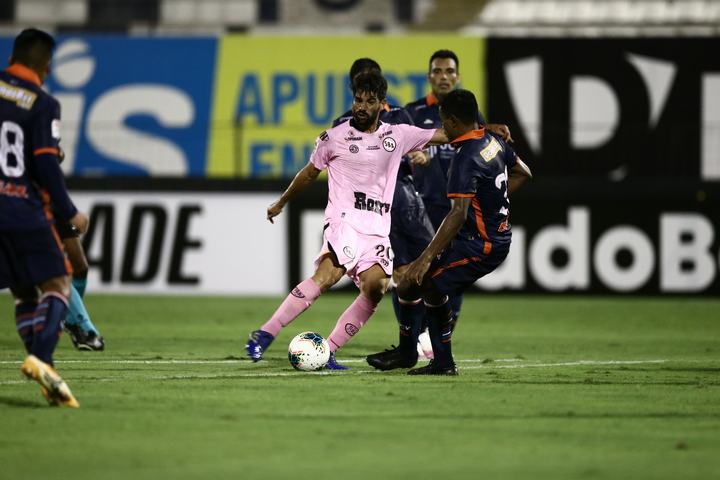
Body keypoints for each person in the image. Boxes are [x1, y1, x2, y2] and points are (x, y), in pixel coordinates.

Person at [244, 70, 449, 369]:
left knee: (377, 288)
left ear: (382, 103)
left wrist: (487, 132)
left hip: (377, 231)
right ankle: (265, 333)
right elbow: (309, 173)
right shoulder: (334, 138)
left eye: (369, 101)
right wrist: (282, 201)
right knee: (327, 276)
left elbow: (447, 134)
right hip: (345, 223)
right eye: (358, 100)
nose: (361, 107)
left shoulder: (398, 135)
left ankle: (327, 351)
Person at [366, 49, 512, 370]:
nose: (443, 76)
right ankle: (413, 347)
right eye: (437, 71)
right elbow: (395, 141)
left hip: (461, 218)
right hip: (425, 207)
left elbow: (464, 203)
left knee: (435, 281)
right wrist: (410, 154)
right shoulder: (417, 113)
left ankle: (434, 352)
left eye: (449, 71)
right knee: (410, 278)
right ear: (429, 76)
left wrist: (488, 203)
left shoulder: (469, 144)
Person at [399, 89, 532, 375]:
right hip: (486, 237)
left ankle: (443, 363)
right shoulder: (493, 141)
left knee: (430, 284)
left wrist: (426, 257)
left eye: (443, 122)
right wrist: (492, 204)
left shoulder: (465, 158)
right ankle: (414, 354)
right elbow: (523, 172)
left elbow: (458, 214)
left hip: (482, 245)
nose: (443, 128)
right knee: (416, 285)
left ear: (454, 121)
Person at [0, 28, 88, 406]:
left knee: (22, 289)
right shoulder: (42, 103)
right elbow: (45, 164)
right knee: (57, 284)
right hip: (21, 206)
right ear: (46, 66)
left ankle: (44, 369)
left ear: (11, 58)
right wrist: (68, 212)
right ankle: (42, 360)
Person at [332, 58, 437, 367]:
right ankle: (415, 339)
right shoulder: (343, 124)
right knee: (399, 274)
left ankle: (425, 335)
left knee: (427, 266)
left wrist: (421, 156)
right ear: (353, 87)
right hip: (373, 207)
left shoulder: (399, 115)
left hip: (401, 198)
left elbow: (421, 148)